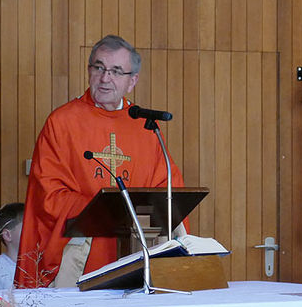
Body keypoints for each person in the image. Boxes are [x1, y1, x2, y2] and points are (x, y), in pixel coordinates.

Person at [16, 35, 185, 288]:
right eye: (99, 68)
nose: (105, 78)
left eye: (116, 71)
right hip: (83, 251)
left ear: (132, 81)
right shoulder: (62, 123)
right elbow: (47, 194)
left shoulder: (145, 127)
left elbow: (169, 191)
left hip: (136, 251)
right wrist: (105, 208)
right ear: (89, 71)